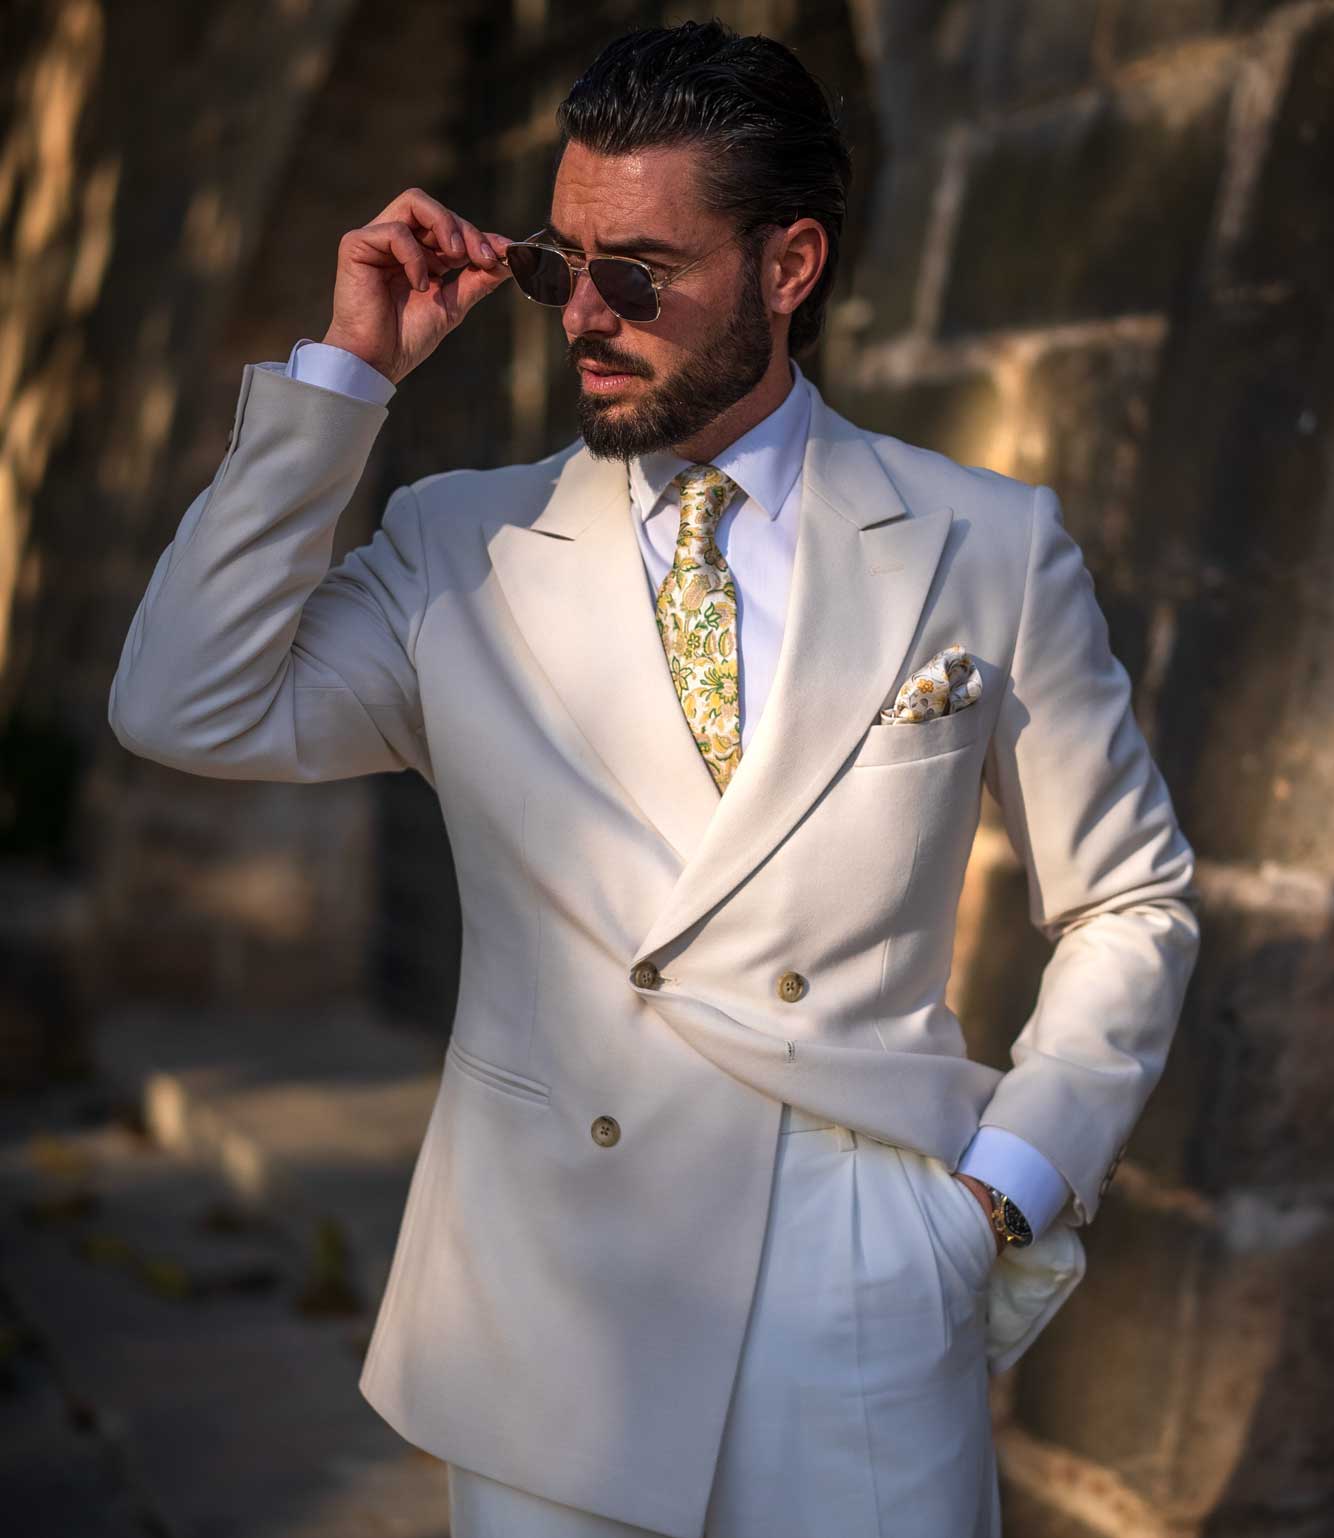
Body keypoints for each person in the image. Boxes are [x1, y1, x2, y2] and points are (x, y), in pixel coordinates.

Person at [108, 19, 1199, 1538]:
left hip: (863, 1282)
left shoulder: (981, 541)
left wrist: (998, 1195)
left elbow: (1130, 896)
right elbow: (182, 702)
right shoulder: (455, 546)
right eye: (560, 266)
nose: (584, 317)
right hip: (555, 1303)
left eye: (638, 272)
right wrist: (345, 378)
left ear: (787, 266)